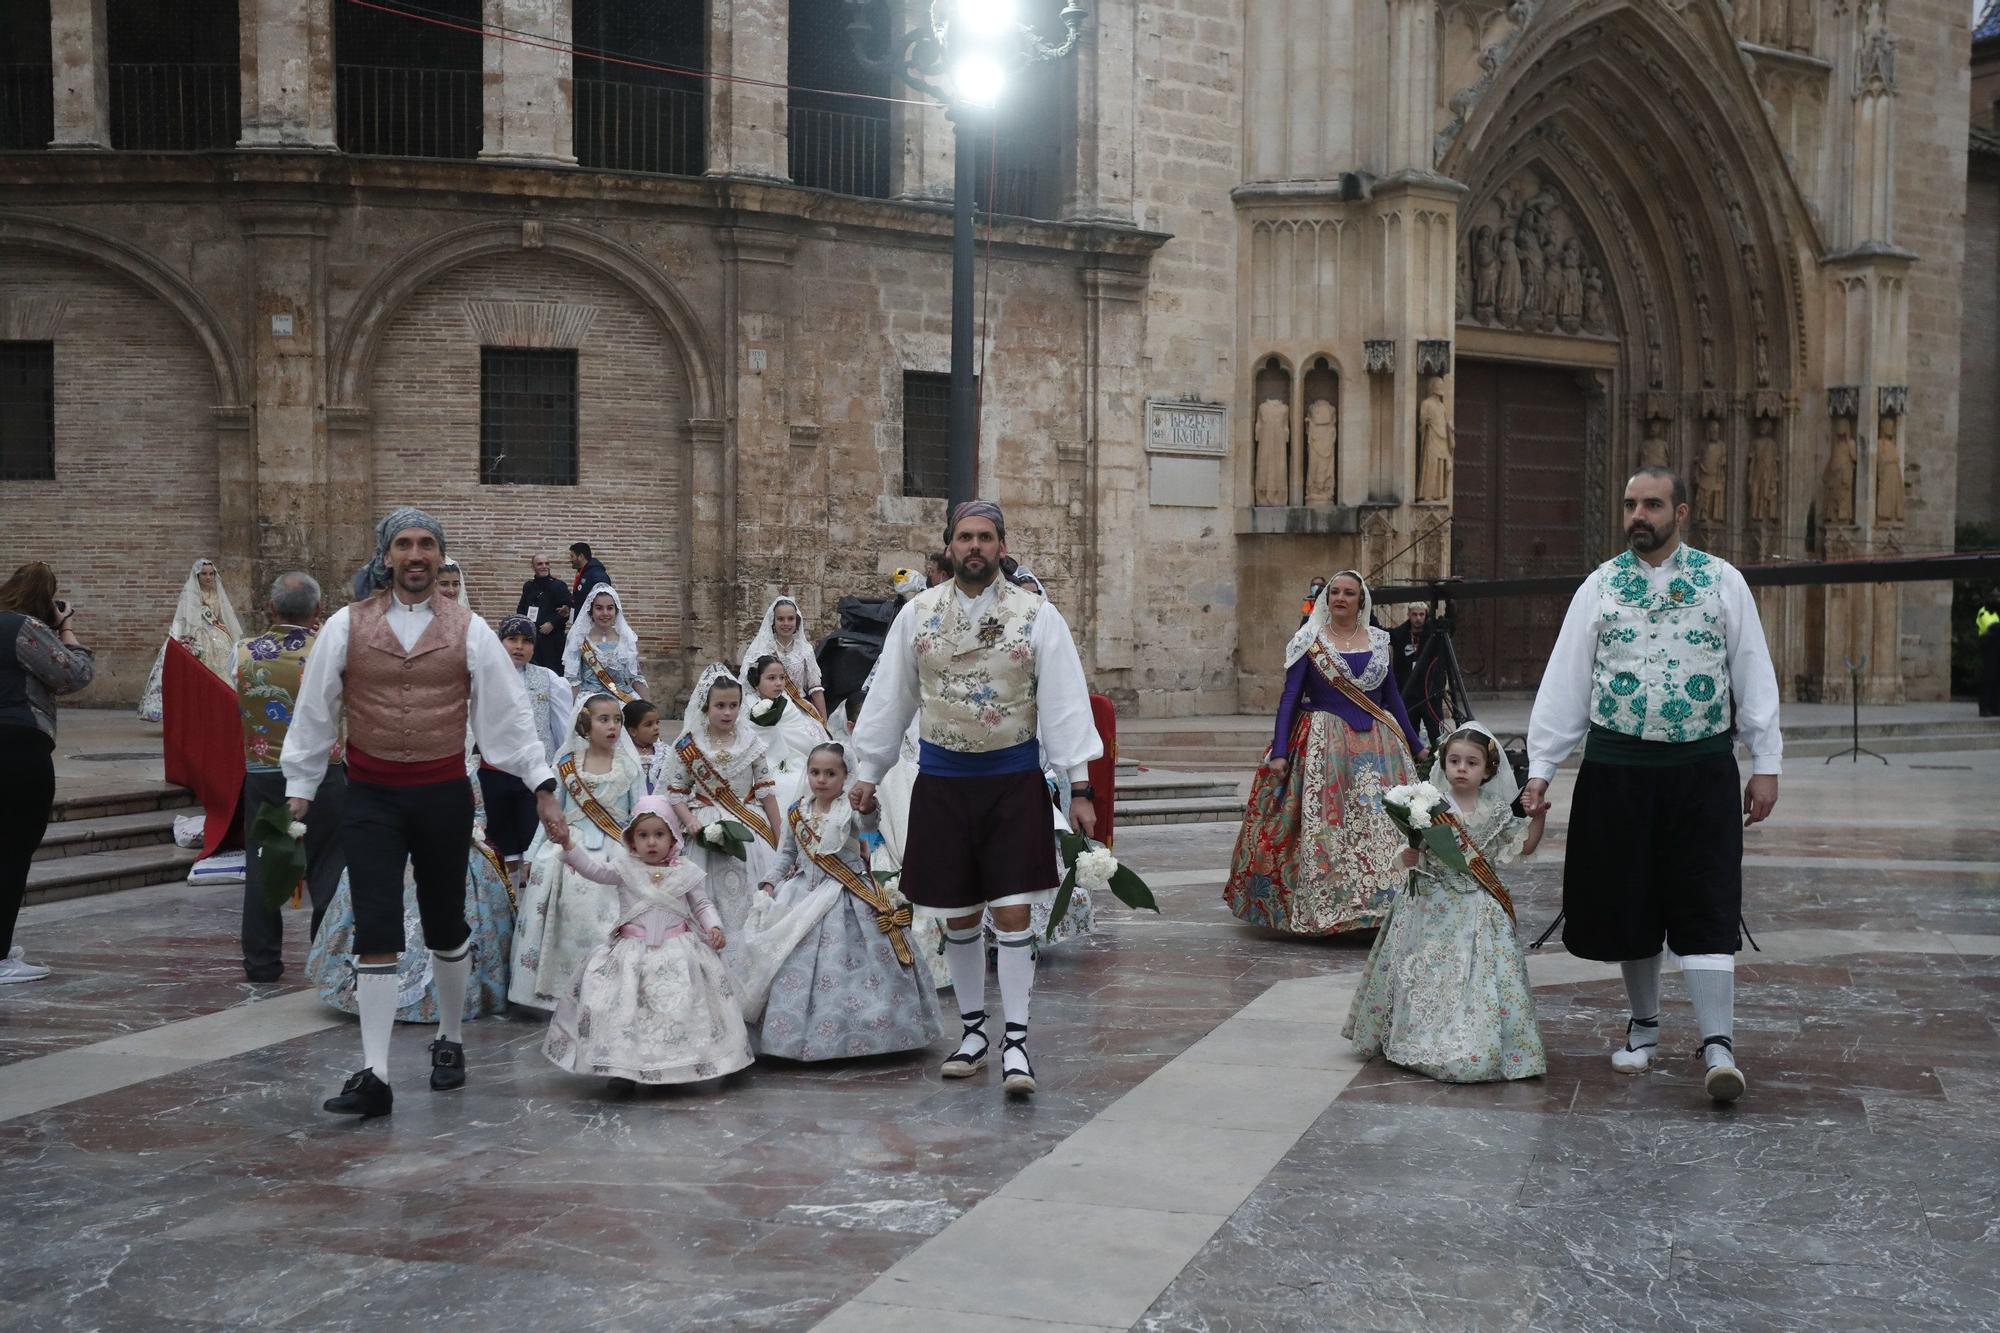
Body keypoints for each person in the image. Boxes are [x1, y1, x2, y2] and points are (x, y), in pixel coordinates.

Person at [282, 506, 566, 1119]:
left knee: (444, 925)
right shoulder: (344, 625)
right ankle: (376, 1072)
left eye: (427, 545)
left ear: (440, 558)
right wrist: (299, 786)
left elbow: (507, 718)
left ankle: (451, 1041)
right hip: (371, 796)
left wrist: (542, 783)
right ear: (386, 556)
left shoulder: (471, 630)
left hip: (442, 795)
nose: (416, 555)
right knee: (377, 927)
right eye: (405, 544)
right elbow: (315, 709)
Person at [1522, 467, 1782, 1104]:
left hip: (1701, 771)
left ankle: (1718, 1043)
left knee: (1707, 895)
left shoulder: (1723, 582)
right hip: (1618, 772)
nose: (1639, 514)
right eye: (1632, 503)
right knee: (1631, 899)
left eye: (1653, 504)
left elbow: (1752, 668)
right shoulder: (1600, 586)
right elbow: (1566, 682)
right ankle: (1644, 1027)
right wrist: (1540, 770)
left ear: (1682, 512)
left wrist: (1765, 760)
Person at [849, 501, 1102, 1097]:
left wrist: (1081, 784)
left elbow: (1066, 703)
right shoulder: (917, 616)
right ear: (948, 547)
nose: (975, 547)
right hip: (942, 781)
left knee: (1013, 911)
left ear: (1002, 545)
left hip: (1013, 780)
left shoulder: (1037, 615)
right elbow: (891, 696)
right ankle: (972, 1033)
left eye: (986, 537)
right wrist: (869, 767)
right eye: (965, 537)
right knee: (958, 914)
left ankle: (1016, 1042)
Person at [1343, 723, 1547, 1082]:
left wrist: (1539, 816)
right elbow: (1415, 850)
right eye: (1454, 761)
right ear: (1444, 764)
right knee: (1424, 973)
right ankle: (1414, 1034)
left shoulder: (1496, 810)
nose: (1462, 768)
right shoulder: (1428, 805)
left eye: (1472, 762)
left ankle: (1476, 1040)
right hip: (1428, 904)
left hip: (1476, 908)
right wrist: (1407, 856)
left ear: (1488, 769)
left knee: (1477, 978)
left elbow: (1524, 846)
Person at [1225, 570, 1426, 936]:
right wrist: (1281, 749)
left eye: (1349, 593)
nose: (1341, 598)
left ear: (1361, 601)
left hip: (1379, 748)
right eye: (1335, 592)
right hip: (1324, 746)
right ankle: (1332, 907)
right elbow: (1290, 697)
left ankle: (1384, 906)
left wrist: (1414, 743)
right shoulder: (1309, 641)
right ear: (1326, 598)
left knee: (1383, 826)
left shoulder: (1380, 642)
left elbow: (1393, 697)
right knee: (1329, 827)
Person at [542, 794, 754, 1092]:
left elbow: (703, 904)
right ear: (631, 839)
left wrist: (714, 927)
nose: (651, 842)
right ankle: (622, 1069)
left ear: (673, 838)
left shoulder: (686, 872)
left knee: (677, 1010)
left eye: (659, 834)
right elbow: (593, 870)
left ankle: (675, 1066)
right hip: (632, 955)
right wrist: (567, 844)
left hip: (678, 952)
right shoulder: (623, 869)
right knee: (626, 1011)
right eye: (643, 835)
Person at [752, 743, 944, 1060]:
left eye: (831, 773)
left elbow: (868, 827)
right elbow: (786, 853)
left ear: (845, 776)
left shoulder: (849, 810)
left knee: (858, 967)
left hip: (849, 894)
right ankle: (795, 1036)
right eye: (815, 772)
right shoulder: (796, 811)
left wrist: (867, 807)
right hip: (801, 898)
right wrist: (770, 883)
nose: (822, 780)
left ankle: (870, 1032)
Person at [235, 572, 349, 983]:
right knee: (329, 867)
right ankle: (326, 961)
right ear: (318, 610)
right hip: (325, 773)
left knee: (264, 867)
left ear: (271, 608)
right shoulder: (331, 650)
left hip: (264, 773)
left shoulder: (242, 651)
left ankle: (262, 964)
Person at [508, 693, 645, 1010]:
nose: (613, 726)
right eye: (604, 719)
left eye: (617, 720)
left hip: (613, 850)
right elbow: (550, 817)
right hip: (566, 851)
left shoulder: (629, 768)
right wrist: (531, 854)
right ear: (585, 724)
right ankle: (553, 992)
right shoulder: (566, 767)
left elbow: (638, 814)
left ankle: (607, 985)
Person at [0, 563, 94, 985]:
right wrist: (66, 629)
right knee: (13, 849)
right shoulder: (22, 628)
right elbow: (73, 674)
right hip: (17, 747)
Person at [663, 665, 783, 938]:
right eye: (720, 705)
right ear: (705, 707)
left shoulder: (750, 742)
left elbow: (766, 792)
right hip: (704, 826)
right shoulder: (690, 744)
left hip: (750, 824)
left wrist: (779, 837)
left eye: (733, 705)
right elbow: (676, 793)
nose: (727, 712)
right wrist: (690, 820)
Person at [486, 615, 573, 868]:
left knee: (534, 845)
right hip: (494, 774)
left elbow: (561, 727)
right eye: (512, 639)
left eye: (526, 641)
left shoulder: (548, 679)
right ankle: (507, 901)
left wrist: (559, 766)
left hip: (534, 776)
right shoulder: (484, 678)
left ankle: (530, 902)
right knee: (501, 846)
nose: (519, 646)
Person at [138, 557, 241, 722]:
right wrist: (185, 640)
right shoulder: (189, 594)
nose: (208, 577)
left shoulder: (216, 594)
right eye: (204, 574)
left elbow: (223, 616)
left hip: (218, 637)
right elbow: (183, 619)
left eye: (211, 574)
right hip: (195, 636)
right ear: (197, 576)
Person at [746, 651, 833, 814]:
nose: (779, 683)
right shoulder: (748, 705)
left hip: (799, 758)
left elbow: (802, 736)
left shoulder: (788, 704)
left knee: (810, 781)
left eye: (782, 678)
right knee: (783, 785)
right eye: (771, 678)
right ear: (756, 681)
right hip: (767, 765)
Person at [742, 595, 829, 723]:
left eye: (790, 618)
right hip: (768, 709)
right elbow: (748, 687)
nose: (786, 623)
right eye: (781, 619)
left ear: (796, 620)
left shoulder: (805, 650)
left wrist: (824, 722)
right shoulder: (761, 650)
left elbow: (815, 688)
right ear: (773, 621)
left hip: (799, 710)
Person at [565, 583, 648, 702]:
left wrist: (649, 709)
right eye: (599, 608)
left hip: (623, 699)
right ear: (591, 611)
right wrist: (569, 715)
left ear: (616, 610)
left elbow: (636, 677)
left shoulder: (627, 638)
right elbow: (573, 682)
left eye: (610, 608)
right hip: (590, 702)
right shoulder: (579, 640)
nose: (605, 613)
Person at [1389, 603, 1444, 752]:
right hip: (1408, 692)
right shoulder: (1400, 635)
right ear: (1409, 615)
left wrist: (1450, 604)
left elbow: (1451, 627)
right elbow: (1378, 630)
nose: (1418, 618)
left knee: (1436, 733)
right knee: (1409, 732)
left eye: (1421, 615)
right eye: (1415, 614)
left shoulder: (1434, 634)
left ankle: (1438, 762)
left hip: (1429, 691)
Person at [517, 554, 573, 673]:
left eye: (547, 563)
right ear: (533, 567)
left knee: (553, 676)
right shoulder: (528, 586)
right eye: (540, 564)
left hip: (553, 641)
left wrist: (552, 623)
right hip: (533, 640)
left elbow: (568, 611)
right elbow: (521, 609)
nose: (544, 566)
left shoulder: (559, 586)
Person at [623, 698, 665, 793]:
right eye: (649, 724)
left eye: (657, 722)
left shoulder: (664, 751)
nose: (656, 728)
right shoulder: (623, 753)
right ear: (633, 731)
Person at [568, 543, 611, 618]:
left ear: (580, 556)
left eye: (572, 556)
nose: (570, 560)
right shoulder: (584, 573)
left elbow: (603, 601)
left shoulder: (597, 575)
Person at [1977, 590, 2000, 718]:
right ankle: (1984, 708)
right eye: (1995, 598)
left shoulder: (1996, 613)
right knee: (1988, 678)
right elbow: (1989, 626)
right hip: (1988, 646)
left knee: (1997, 678)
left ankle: (1995, 707)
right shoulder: (1983, 612)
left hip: (1997, 646)